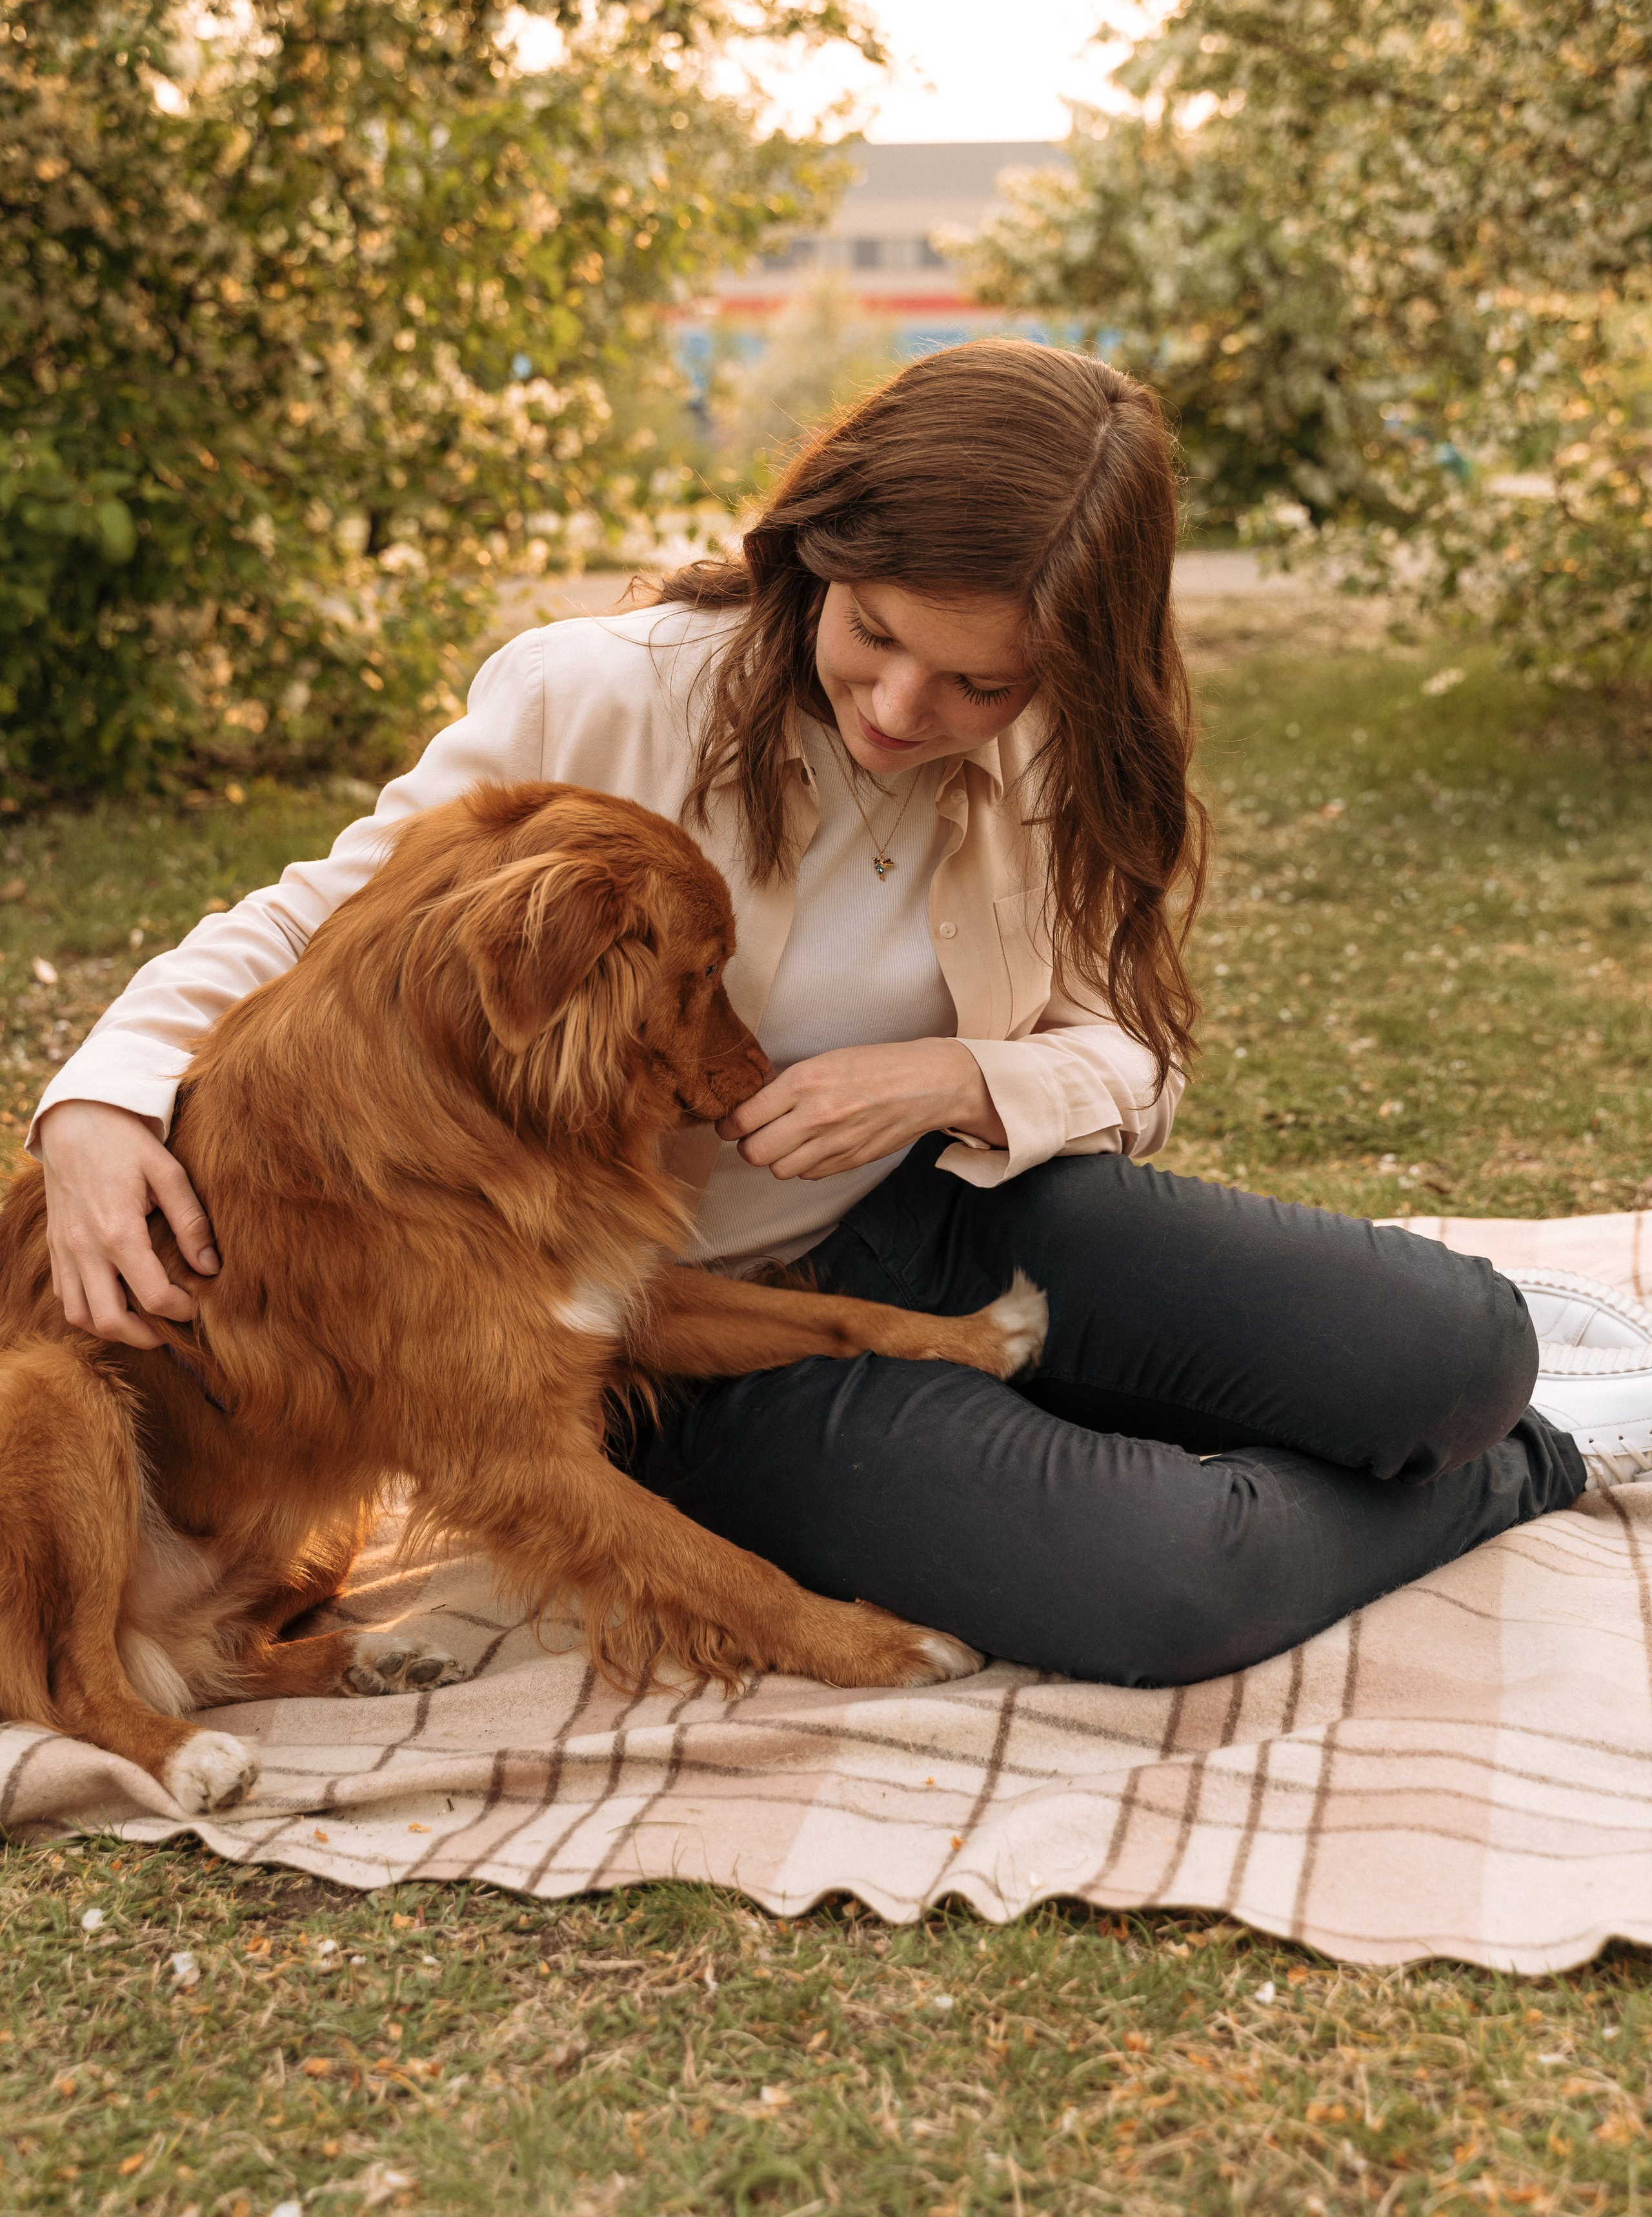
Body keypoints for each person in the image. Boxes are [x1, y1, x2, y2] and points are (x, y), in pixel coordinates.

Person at [30, 343, 1619, 1688]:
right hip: (664, 1326)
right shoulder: (600, 693)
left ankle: (1446, 1436)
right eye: (871, 636)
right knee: (1179, 1570)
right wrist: (100, 1093)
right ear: (811, 555)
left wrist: (951, 1076)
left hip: (940, 1211)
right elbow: (325, 918)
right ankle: (1514, 1478)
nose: (899, 712)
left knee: (1459, 1343)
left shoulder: (1067, 757)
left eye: (977, 686)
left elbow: (1132, 1060)